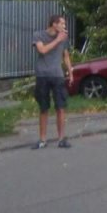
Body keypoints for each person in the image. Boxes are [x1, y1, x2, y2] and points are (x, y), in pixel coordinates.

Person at [32, 14, 73, 149]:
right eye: (62, 24)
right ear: (54, 24)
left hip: (58, 75)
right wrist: (57, 40)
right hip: (42, 75)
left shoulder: (64, 38)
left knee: (60, 107)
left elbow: (65, 56)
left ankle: (61, 139)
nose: (64, 27)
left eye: (64, 24)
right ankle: (43, 140)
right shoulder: (38, 35)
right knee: (43, 108)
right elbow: (42, 50)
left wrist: (70, 72)